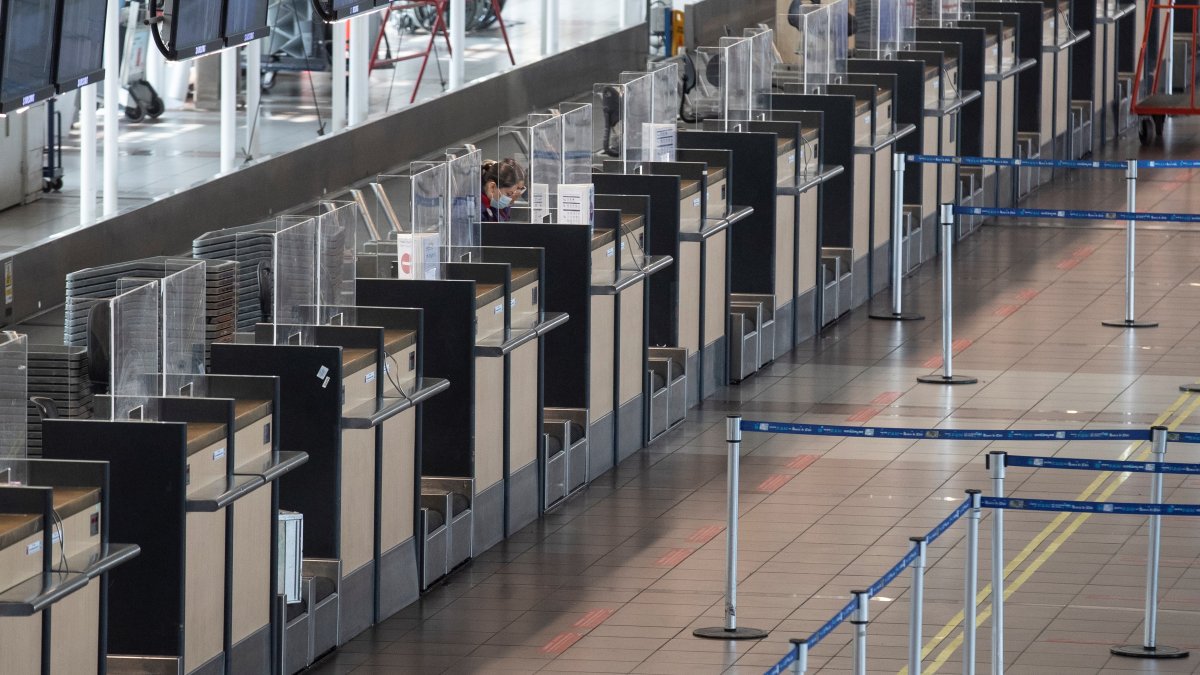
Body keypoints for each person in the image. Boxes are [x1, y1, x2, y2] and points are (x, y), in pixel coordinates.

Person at [481, 158, 526, 222]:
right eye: (509, 194)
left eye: (521, 189)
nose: (518, 192)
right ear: (492, 187)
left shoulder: (494, 203)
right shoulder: (480, 208)